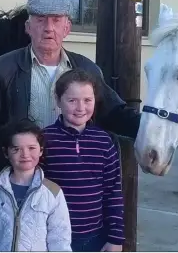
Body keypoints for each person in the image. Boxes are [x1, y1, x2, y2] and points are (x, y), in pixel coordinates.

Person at [0, 0, 140, 182]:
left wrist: (150, 127)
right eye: (40, 20)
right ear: (28, 28)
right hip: (22, 175)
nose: (48, 28)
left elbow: (113, 112)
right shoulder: (4, 67)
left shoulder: (86, 69)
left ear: (67, 28)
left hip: (72, 174)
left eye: (56, 20)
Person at [41, 69, 124, 252]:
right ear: (58, 101)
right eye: (72, 100)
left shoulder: (104, 142)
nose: (80, 108)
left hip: (94, 238)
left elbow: (113, 193)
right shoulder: (44, 140)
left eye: (87, 100)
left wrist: (115, 238)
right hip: (52, 237)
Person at [0, 119, 72, 252]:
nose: (25, 155)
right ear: (6, 152)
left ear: (41, 150)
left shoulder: (53, 192)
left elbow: (60, 241)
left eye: (31, 148)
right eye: (16, 149)